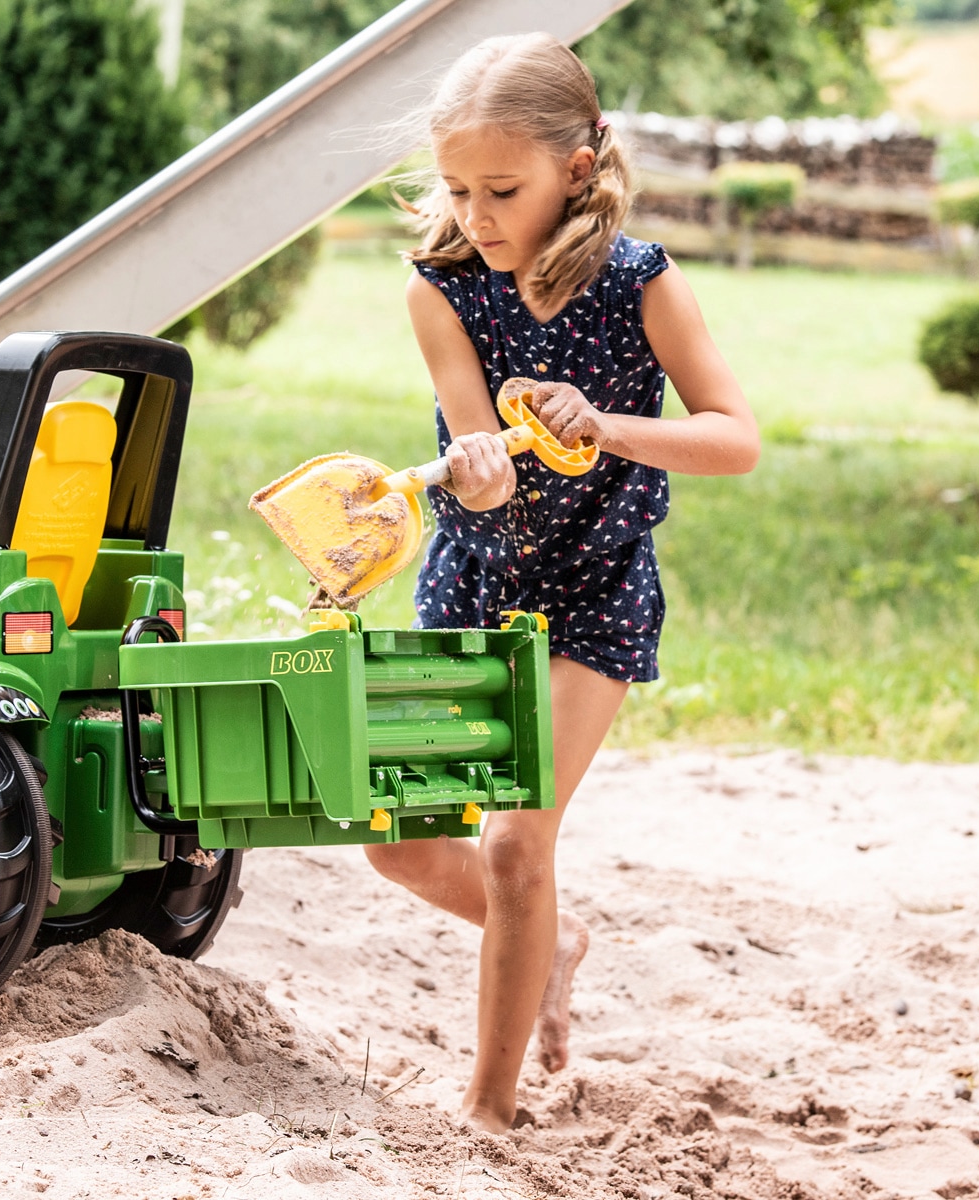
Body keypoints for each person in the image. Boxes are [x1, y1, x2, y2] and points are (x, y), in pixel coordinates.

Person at [362, 33, 759, 1133]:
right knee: (396, 843)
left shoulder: (639, 281)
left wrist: (609, 426)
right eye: (454, 189)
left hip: (596, 586)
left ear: (576, 170)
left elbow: (734, 439)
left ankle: (488, 1109)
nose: (475, 214)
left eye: (500, 189)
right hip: (472, 579)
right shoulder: (441, 288)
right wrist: (479, 480)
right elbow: (472, 448)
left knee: (513, 843)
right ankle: (552, 937)